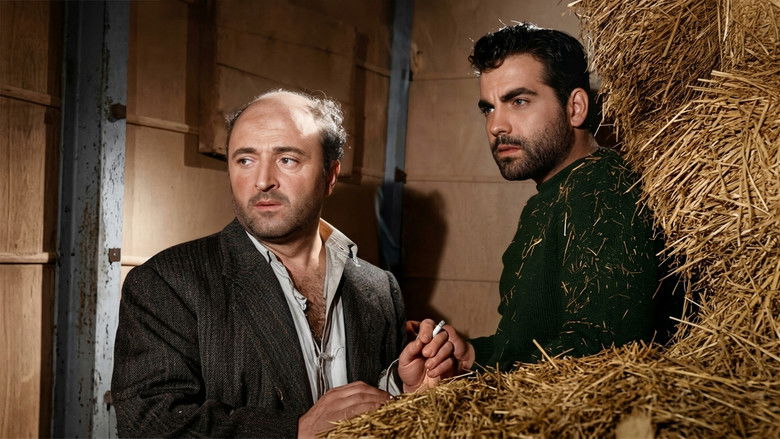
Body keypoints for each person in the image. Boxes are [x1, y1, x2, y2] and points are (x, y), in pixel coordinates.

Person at [111, 90, 456, 438]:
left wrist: (405, 392)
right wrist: (295, 431)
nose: (262, 181)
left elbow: (376, 410)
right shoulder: (166, 283)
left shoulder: (380, 288)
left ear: (330, 176)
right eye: (245, 160)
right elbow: (149, 426)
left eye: (287, 159)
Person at [444, 23, 680, 372]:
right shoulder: (556, 195)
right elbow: (529, 346)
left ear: (575, 108)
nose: (496, 126)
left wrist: (480, 390)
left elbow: (603, 352)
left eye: (518, 101)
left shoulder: (603, 189)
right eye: (488, 108)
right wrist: (470, 357)